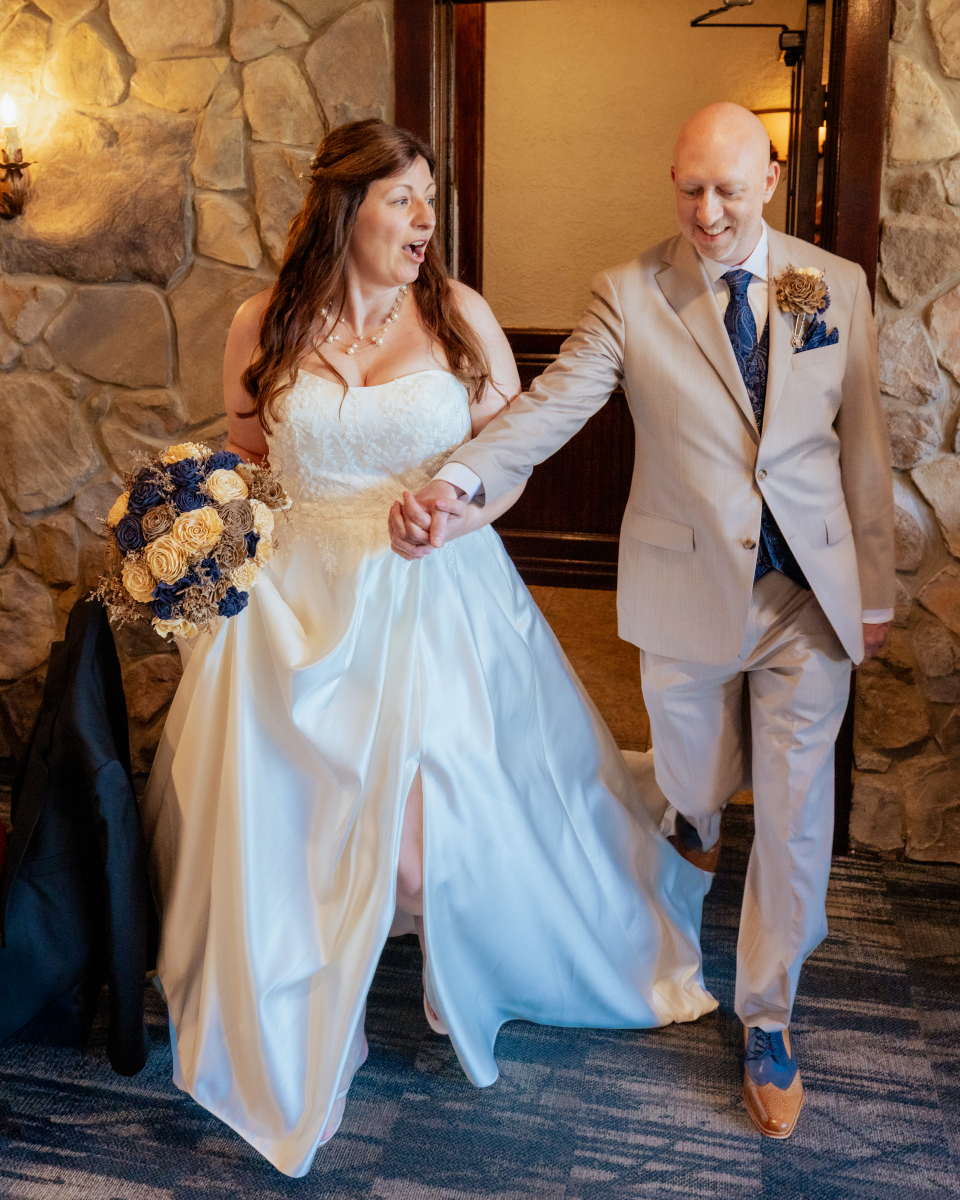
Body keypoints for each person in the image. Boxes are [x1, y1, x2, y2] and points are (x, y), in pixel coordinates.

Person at [142, 118, 718, 1178]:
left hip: (432, 597)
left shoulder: (459, 317)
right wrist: (200, 528)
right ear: (344, 207)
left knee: (414, 854)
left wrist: (456, 512)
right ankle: (330, 1016)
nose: (424, 220)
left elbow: (513, 457)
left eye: (429, 200)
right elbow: (246, 454)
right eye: (402, 198)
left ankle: (464, 960)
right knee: (297, 826)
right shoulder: (264, 321)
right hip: (296, 607)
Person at [391, 103, 895, 1141]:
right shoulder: (630, 293)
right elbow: (549, 408)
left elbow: (863, 445)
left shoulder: (830, 285)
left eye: (729, 191)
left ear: (770, 182)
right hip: (687, 594)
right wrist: (459, 479)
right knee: (694, 783)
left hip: (808, 596)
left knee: (796, 816)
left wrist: (875, 589)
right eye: (689, 189)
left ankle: (768, 1016)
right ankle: (695, 822)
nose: (707, 213)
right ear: (673, 180)